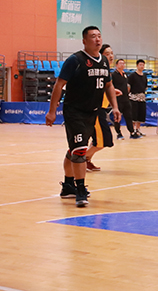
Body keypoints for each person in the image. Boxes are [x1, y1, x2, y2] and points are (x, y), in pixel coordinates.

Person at [46, 26, 121, 207]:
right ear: (84, 41)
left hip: (92, 112)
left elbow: (109, 85)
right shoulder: (75, 60)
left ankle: (68, 186)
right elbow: (59, 85)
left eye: (99, 36)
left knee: (74, 149)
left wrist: (115, 107)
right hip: (74, 111)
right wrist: (52, 111)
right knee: (80, 150)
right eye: (93, 36)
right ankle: (80, 189)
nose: (97, 39)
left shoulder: (104, 61)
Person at [85, 44, 117, 172]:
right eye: (107, 53)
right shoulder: (97, 70)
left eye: (111, 53)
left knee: (100, 140)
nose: (110, 56)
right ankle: (79, 159)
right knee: (103, 141)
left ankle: (86, 161)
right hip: (95, 109)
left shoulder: (107, 71)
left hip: (102, 109)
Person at [112, 58, 135, 140]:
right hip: (118, 99)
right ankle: (119, 133)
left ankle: (132, 132)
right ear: (116, 65)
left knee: (129, 116)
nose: (122, 65)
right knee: (117, 117)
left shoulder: (125, 74)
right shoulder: (113, 75)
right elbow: (111, 87)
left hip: (126, 99)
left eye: (123, 63)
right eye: (120, 63)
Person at [127, 59, 147, 138]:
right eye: (140, 65)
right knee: (133, 115)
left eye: (143, 65)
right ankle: (132, 131)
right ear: (137, 66)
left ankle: (138, 129)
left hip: (142, 97)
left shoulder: (144, 76)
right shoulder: (132, 75)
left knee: (140, 115)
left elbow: (145, 87)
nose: (142, 66)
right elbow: (129, 86)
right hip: (134, 97)